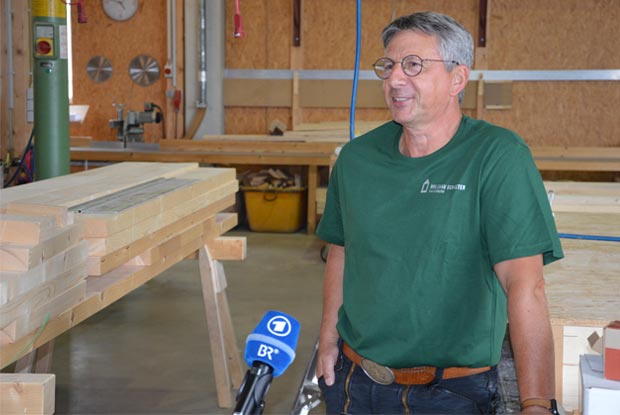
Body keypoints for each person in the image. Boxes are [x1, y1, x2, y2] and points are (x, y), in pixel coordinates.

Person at [315, 11, 564, 415]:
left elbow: (525, 285)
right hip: (353, 382)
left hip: (450, 392)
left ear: (457, 79)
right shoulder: (356, 159)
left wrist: (536, 403)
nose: (395, 79)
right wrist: (327, 340)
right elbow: (342, 252)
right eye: (388, 66)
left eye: (413, 65)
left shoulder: (497, 156)